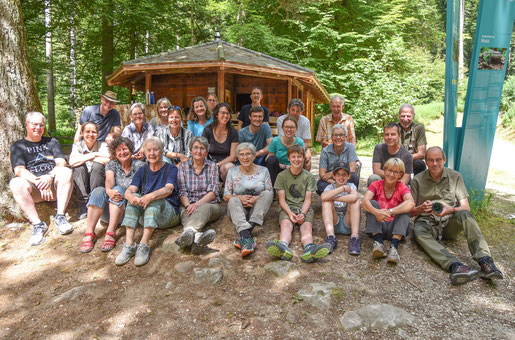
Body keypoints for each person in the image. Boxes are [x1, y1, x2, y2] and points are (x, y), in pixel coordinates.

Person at [411, 147, 503, 285]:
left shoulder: (455, 176)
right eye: (430, 160)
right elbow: (410, 211)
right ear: (426, 161)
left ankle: (485, 261)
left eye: (438, 160)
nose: (435, 163)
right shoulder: (417, 180)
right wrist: (421, 208)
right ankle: (455, 265)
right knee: (417, 231)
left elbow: (466, 206)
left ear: (444, 160)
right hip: (427, 221)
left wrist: (451, 209)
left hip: (449, 223)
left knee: (464, 214)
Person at [9, 111, 74, 245]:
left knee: (66, 172)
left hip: (54, 185)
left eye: (41, 125)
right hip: (35, 189)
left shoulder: (52, 142)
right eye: (34, 124)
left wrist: (49, 177)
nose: (38, 128)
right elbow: (19, 170)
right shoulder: (18, 146)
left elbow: (61, 162)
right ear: (27, 125)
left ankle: (60, 217)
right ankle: (38, 225)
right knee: (15, 183)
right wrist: (39, 182)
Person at [115, 137, 180, 266]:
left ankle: (144, 245)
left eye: (155, 150)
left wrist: (150, 196)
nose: (152, 154)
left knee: (155, 199)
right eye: (149, 150)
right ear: (144, 152)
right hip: (147, 214)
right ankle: (129, 245)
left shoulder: (171, 169)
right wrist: (129, 196)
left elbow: (168, 189)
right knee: (134, 198)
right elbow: (132, 188)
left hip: (168, 215)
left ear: (161, 151)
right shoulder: (142, 170)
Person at [265, 145, 331, 262]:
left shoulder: (308, 176)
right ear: (288, 159)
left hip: (303, 208)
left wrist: (303, 214)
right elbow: (281, 200)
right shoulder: (281, 176)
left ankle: (309, 248)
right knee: (286, 225)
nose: (296, 159)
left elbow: (308, 200)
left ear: (303, 158)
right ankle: (283, 246)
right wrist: (290, 214)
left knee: (306, 227)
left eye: (299, 157)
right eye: (293, 157)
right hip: (287, 208)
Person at [80, 137, 144, 253]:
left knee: (119, 189)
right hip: (108, 213)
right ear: (114, 153)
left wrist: (117, 191)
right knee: (98, 190)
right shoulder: (111, 164)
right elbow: (109, 181)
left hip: (128, 212)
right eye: (118, 150)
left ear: (130, 150)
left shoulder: (140, 165)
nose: (122, 152)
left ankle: (110, 232)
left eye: (125, 149)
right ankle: (89, 233)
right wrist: (109, 191)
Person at [224, 143, 273, 256]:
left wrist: (255, 199)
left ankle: (244, 235)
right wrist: (239, 198)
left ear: (254, 155)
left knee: (267, 194)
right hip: (238, 208)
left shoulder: (263, 170)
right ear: (238, 157)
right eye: (241, 155)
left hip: (257, 208)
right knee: (232, 200)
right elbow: (226, 195)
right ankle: (246, 236)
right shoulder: (233, 171)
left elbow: (270, 192)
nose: (245, 157)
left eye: (248, 154)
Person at [362, 158, 414, 263]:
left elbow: (411, 203)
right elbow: (364, 201)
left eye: (396, 172)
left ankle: (393, 248)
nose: (391, 174)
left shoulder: (402, 187)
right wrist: (376, 211)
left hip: (394, 227)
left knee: (405, 207)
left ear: (401, 175)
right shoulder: (376, 184)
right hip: (379, 224)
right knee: (372, 203)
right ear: (384, 171)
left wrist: (391, 211)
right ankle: (379, 243)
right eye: (389, 170)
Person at [175, 136, 221, 254]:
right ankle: (196, 240)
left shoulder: (213, 167)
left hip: (209, 205)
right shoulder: (183, 167)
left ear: (206, 151)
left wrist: (196, 204)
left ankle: (187, 233)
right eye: (195, 148)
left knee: (203, 208)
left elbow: (213, 193)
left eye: (202, 148)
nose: (198, 151)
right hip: (188, 204)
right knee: (185, 213)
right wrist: (188, 206)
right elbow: (182, 191)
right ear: (190, 150)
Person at [69, 122, 110, 219]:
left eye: (94, 132)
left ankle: (95, 200)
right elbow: (72, 162)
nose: (91, 135)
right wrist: (94, 155)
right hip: (81, 180)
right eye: (87, 132)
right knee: (78, 167)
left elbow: (109, 159)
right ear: (82, 133)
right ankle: (83, 203)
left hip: (97, 178)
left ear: (97, 134)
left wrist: (84, 158)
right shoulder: (77, 146)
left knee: (97, 165)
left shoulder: (102, 145)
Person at [321, 162, 361, 255]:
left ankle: (354, 238)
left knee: (355, 202)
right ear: (333, 176)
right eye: (338, 174)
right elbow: (323, 197)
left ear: (349, 176)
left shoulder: (351, 186)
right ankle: (331, 237)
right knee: (326, 202)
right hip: (335, 222)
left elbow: (354, 197)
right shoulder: (330, 187)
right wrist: (342, 188)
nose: (341, 177)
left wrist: (333, 197)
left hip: (348, 221)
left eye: (344, 175)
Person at [317, 124, 359, 195]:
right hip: (331, 181)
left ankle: (334, 196)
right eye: (335, 135)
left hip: (345, 178)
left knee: (354, 177)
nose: (338, 137)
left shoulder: (350, 147)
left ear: (345, 137)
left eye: (341, 135)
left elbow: (352, 169)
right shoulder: (325, 151)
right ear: (332, 137)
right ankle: (341, 196)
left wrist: (331, 173)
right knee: (319, 186)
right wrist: (335, 183)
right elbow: (322, 175)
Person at [202, 102, 239, 182]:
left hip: (226, 163)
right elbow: (203, 152)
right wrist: (208, 165)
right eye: (223, 113)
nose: (225, 116)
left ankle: (227, 192)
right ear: (216, 114)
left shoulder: (233, 132)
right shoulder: (207, 130)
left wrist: (217, 165)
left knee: (229, 168)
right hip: (209, 163)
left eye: (227, 113)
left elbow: (233, 157)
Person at [368, 122, 413, 187]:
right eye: (387, 134)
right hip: (383, 181)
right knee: (373, 178)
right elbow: (376, 170)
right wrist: (392, 176)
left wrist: (392, 182)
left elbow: (405, 179)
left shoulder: (407, 155)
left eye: (393, 134)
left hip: (399, 184)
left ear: (399, 136)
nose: (389, 137)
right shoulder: (379, 148)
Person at [265, 116, 304, 185]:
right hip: (278, 169)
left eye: (292, 127)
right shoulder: (275, 141)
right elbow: (268, 159)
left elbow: (301, 160)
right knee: (271, 159)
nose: (289, 129)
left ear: (296, 129)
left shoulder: (299, 142)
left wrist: (293, 168)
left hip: (293, 169)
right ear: (282, 128)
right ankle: (272, 189)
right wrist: (284, 166)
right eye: (286, 127)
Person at [277, 99, 312, 170]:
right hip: (284, 147)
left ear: (301, 112)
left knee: (307, 158)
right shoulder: (281, 120)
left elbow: (305, 142)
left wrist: (299, 152)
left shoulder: (305, 121)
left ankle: (305, 179)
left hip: (299, 148)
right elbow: (281, 140)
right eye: (293, 110)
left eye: (298, 111)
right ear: (288, 109)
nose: (295, 113)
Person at [396, 104, 427, 176]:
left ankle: (418, 186)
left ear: (413, 116)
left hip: (412, 161)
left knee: (420, 164)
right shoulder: (392, 128)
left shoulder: (419, 128)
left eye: (408, 116)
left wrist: (405, 158)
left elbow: (422, 154)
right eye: (403, 116)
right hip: (394, 161)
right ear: (399, 115)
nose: (405, 119)